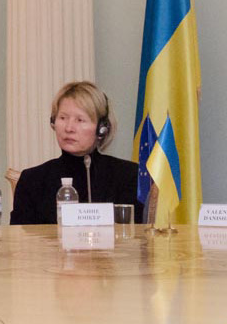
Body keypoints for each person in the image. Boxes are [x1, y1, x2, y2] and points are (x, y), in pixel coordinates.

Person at [11, 81, 142, 224]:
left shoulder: (128, 176)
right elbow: (19, 236)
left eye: (80, 120)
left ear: (102, 128)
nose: (69, 128)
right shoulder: (32, 180)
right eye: (63, 118)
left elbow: (135, 233)